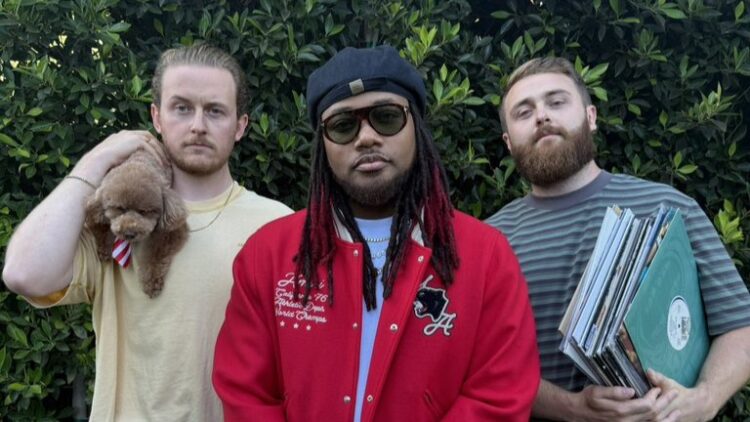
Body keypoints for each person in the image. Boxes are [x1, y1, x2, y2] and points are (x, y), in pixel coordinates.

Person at [212, 45, 539, 422]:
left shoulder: (486, 255)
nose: (366, 138)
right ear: (323, 144)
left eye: (386, 117)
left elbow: (499, 394)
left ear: (416, 126)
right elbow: (247, 394)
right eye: (343, 125)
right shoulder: (267, 254)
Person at [2, 44, 292, 421]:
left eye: (215, 111)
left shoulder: (278, 226)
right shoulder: (116, 222)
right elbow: (23, 274)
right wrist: (95, 161)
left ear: (240, 126)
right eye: (182, 108)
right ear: (157, 116)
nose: (198, 125)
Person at [485, 56, 750, 422]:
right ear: (508, 142)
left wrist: (704, 399)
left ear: (591, 117)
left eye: (556, 102)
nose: (542, 116)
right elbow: (479, 366)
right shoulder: (488, 241)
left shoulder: (668, 208)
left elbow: (740, 326)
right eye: (523, 112)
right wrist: (573, 408)